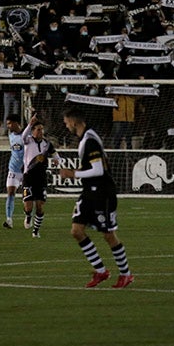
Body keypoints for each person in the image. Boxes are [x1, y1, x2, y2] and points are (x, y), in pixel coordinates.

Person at [59, 106, 134, 289]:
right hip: (89, 192)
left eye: (66, 121)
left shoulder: (90, 140)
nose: (66, 125)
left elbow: (98, 170)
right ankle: (101, 271)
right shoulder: (86, 137)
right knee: (76, 231)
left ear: (74, 121)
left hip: (102, 192)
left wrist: (73, 174)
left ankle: (126, 275)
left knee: (108, 235)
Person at [22, 113, 61, 238]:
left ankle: (36, 231)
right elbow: (23, 136)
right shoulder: (28, 141)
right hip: (28, 176)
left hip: (41, 178)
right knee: (28, 205)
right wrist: (30, 124)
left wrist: (56, 160)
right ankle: (28, 216)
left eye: (42, 130)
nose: (41, 132)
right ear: (33, 131)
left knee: (40, 206)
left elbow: (56, 155)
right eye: (38, 130)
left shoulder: (47, 144)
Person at [2, 116, 25, 229]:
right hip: (13, 169)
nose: (8, 126)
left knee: (27, 197)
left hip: (26, 170)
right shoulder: (10, 135)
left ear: (17, 123)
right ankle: (9, 219)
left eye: (10, 123)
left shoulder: (26, 136)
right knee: (11, 193)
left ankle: (28, 216)